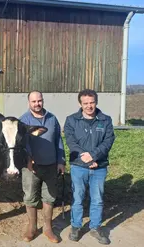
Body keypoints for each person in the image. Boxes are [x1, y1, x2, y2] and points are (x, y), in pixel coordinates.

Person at [64, 89, 115, 245]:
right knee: (77, 197)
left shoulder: (105, 120)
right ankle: (76, 226)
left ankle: (95, 227)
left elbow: (108, 141)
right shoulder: (71, 120)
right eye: (85, 103)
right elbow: (71, 142)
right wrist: (86, 158)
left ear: (96, 102)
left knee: (97, 199)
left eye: (91, 102)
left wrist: (94, 156)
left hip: (99, 167)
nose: (89, 106)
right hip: (78, 166)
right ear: (80, 103)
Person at [19, 90, 66, 243]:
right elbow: (21, 144)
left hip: (51, 165)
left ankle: (48, 228)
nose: (37, 104)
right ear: (28, 103)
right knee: (30, 197)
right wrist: (28, 158)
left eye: (39, 101)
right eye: (34, 101)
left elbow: (58, 140)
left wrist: (61, 161)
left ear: (43, 101)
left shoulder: (52, 119)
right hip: (31, 168)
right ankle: (32, 228)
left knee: (49, 197)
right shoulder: (23, 121)